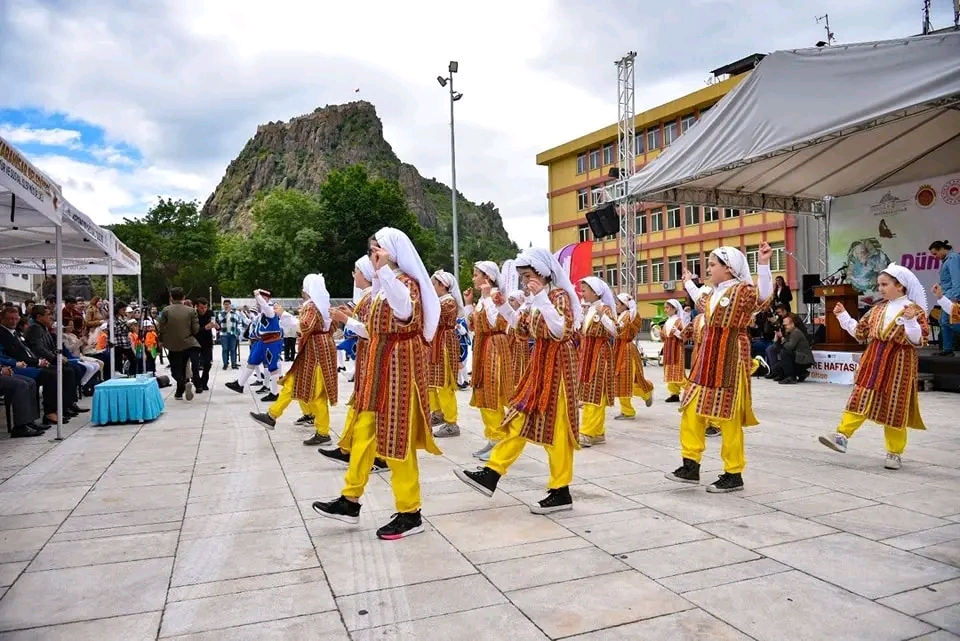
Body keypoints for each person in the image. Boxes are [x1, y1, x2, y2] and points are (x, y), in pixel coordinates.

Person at [312, 228, 442, 540]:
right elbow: (374, 328)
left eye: (379, 247)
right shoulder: (382, 286)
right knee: (364, 434)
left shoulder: (406, 283)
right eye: (373, 248)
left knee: (399, 442)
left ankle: (410, 511)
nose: (375, 252)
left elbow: (404, 312)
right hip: (379, 367)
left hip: (400, 370)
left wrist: (383, 270)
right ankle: (350, 499)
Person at [454, 247, 581, 515]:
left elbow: (560, 330)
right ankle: (492, 473)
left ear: (543, 273)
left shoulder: (557, 296)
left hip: (559, 366)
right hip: (541, 363)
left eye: (528, 275)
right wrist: (501, 305)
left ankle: (560, 490)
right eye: (522, 276)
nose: (525, 281)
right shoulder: (535, 298)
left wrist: (540, 298)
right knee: (519, 419)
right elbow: (519, 328)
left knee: (557, 430)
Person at [665, 243, 774, 493]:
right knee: (691, 409)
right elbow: (698, 298)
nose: (708, 268)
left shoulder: (741, 290)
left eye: (713, 264)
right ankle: (690, 465)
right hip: (706, 358)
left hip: (729, 357)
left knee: (728, 418)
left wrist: (764, 265)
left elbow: (763, 297)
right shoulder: (713, 293)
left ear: (728, 268)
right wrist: (689, 282)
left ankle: (733, 473)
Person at [819, 265, 928, 470]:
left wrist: (911, 320)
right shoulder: (877, 309)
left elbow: (917, 339)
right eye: (879, 284)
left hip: (899, 364)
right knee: (860, 396)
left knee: (895, 405)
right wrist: (843, 316)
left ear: (900, 286)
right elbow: (860, 333)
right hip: (874, 358)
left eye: (884, 284)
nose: (880, 288)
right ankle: (842, 435)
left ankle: (894, 452)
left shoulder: (914, 310)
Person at [251, 275, 339, 446]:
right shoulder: (323, 305)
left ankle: (323, 433)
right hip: (318, 350)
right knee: (293, 383)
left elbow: (304, 326)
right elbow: (331, 327)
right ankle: (272, 416)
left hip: (315, 353)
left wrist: (283, 314)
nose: (302, 290)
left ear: (307, 289)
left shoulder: (312, 307)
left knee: (316, 393)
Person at [321, 256, 389, 473]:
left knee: (369, 407)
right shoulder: (368, 298)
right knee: (360, 404)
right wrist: (349, 316)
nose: (354, 276)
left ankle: (376, 454)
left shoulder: (372, 298)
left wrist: (346, 319)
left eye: (356, 271)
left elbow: (370, 329)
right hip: (367, 354)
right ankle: (348, 448)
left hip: (373, 354)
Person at [464, 261, 512, 461]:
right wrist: (468, 304)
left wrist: (487, 297)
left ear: (488, 277)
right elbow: (473, 326)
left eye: (476, 274)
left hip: (494, 346)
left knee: (492, 392)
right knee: (484, 392)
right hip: (484, 345)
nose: (473, 278)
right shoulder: (484, 299)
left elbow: (495, 323)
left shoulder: (496, 298)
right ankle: (493, 438)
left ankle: (500, 440)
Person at [576, 276, 617, 447]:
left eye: (584, 290)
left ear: (595, 292)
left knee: (594, 392)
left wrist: (603, 316)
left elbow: (615, 330)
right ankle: (598, 432)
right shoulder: (590, 309)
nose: (582, 293)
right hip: (589, 353)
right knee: (592, 392)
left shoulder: (604, 308)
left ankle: (587, 432)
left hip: (599, 354)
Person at [225, 290, 284, 401]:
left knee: (272, 366)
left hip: (271, 341)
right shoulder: (263, 312)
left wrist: (258, 296)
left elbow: (267, 309)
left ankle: (274, 393)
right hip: (261, 341)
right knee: (252, 361)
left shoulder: (271, 309)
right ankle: (240, 384)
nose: (257, 303)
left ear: (265, 299)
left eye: (259, 300)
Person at [428, 270, 463, 438]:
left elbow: (434, 316)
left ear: (443, 286)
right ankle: (437, 413)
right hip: (436, 342)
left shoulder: (449, 302)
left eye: (434, 284)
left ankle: (452, 422)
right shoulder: (439, 301)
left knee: (444, 384)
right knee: (432, 382)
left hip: (444, 344)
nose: (432, 287)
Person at [611, 293, 654, 420]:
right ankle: (645, 392)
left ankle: (629, 409)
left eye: (618, 304)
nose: (616, 306)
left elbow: (630, 325)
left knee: (625, 379)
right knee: (620, 380)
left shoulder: (631, 315)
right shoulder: (621, 316)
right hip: (619, 348)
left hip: (627, 349)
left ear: (625, 305)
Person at [157, 288, 201, 400]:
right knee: (186, 366)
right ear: (183, 297)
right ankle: (181, 389)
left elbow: (161, 328)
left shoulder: (166, 310)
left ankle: (182, 383)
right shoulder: (191, 311)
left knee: (176, 370)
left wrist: (161, 340)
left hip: (173, 345)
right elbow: (196, 329)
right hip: (190, 343)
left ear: (171, 297)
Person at [929, 240, 960, 356]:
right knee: (944, 321)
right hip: (946, 296)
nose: (935, 257)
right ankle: (947, 350)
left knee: (949, 322)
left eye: (935, 254)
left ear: (942, 249)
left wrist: (955, 297)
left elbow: (957, 279)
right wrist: (939, 285)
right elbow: (947, 280)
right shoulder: (946, 260)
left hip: (951, 296)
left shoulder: (953, 258)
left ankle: (948, 349)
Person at [661, 299, 688, 403]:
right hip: (668, 348)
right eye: (665, 307)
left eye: (667, 307)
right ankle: (674, 393)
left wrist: (677, 333)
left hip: (676, 348)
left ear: (674, 309)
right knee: (668, 371)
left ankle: (690, 390)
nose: (665, 310)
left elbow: (685, 336)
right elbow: (664, 336)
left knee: (678, 372)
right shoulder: (668, 321)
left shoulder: (679, 321)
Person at [775, 314, 814, 384]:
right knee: (777, 367)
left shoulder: (795, 332)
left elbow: (789, 348)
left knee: (784, 353)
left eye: (786, 325)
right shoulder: (789, 332)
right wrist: (777, 338)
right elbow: (777, 347)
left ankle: (791, 377)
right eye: (783, 325)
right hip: (798, 358)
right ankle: (802, 373)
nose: (784, 327)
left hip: (804, 359)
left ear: (792, 324)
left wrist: (783, 339)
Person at [215, 300, 244, 369]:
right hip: (224, 333)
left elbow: (239, 322)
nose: (227, 306)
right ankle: (225, 364)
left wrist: (239, 331)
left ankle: (233, 364)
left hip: (233, 333)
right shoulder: (221, 313)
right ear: (223, 305)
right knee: (225, 349)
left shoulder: (235, 313)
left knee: (233, 349)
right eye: (225, 304)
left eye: (228, 304)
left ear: (230, 305)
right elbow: (220, 319)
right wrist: (225, 312)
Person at [194, 297, 215, 392]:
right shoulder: (193, 315)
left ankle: (204, 381)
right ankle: (197, 383)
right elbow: (193, 330)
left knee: (207, 363)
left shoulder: (210, 313)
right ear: (197, 307)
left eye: (205, 307)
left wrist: (217, 327)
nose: (204, 309)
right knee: (195, 364)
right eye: (201, 307)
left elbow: (215, 325)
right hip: (195, 341)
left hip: (207, 342)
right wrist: (205, 328)